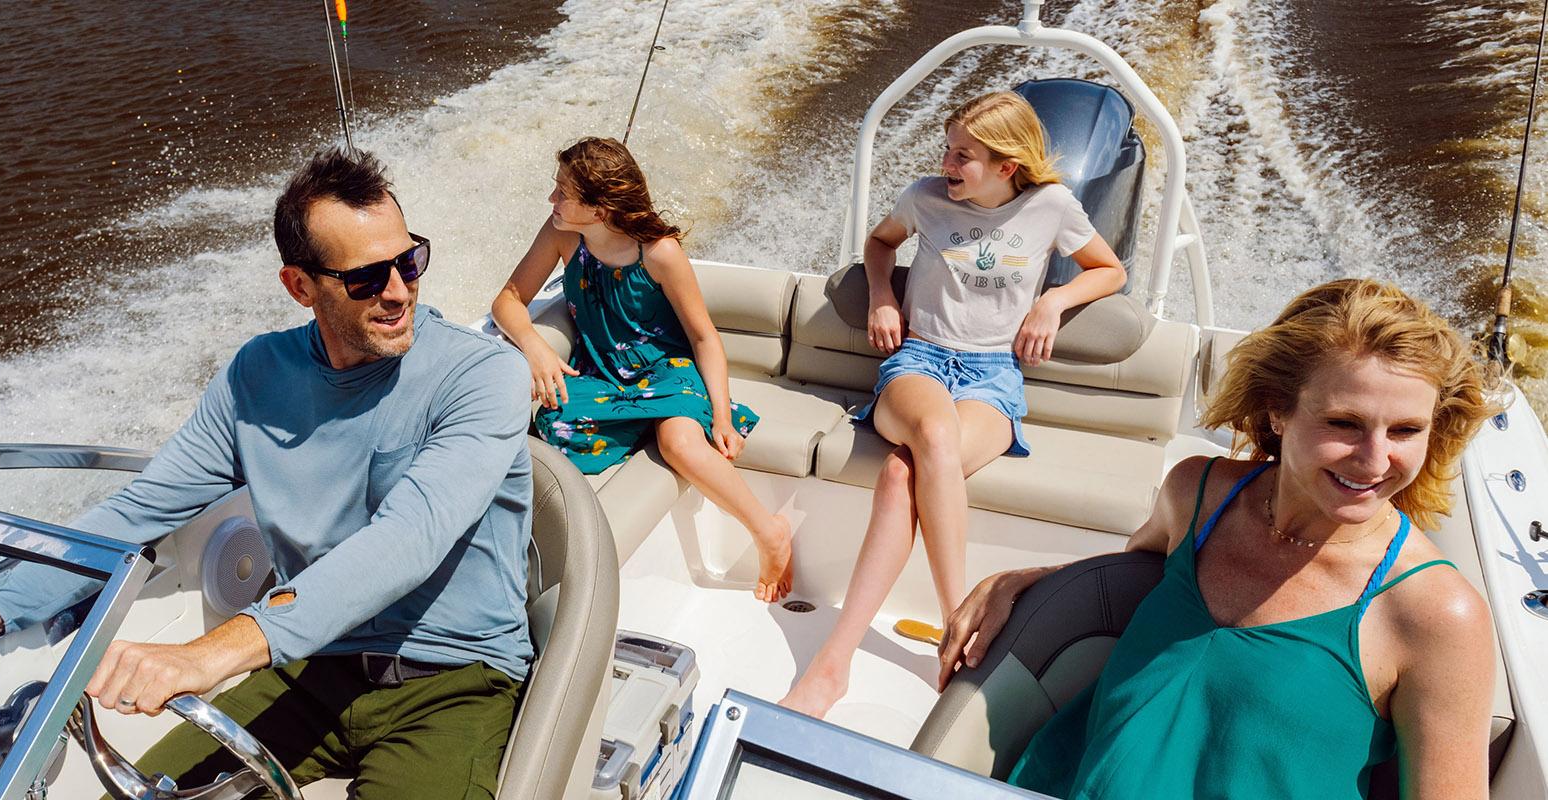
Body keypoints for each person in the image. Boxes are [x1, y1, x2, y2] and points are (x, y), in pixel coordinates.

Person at [0, 148, 535, 799]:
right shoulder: (257, 378)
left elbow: (405, 540)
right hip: (311, 666)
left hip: (454, 679)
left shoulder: (482, 376)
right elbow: (135, 512)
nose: (398, 292)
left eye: (409, 261)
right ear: (300, 286)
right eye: (365, 278)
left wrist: (208, 655)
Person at [941, 279, 1499, 798]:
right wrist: (1031, 581)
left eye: (1406, 430)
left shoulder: (1437, 615)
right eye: (1345, 423)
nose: (1376, 460)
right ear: (1278, 410)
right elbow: (1130, 579)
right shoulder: (1198, 495)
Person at [780, 91, 1125, 716]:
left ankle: (833, 665)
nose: (946, 162)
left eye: (962, 155)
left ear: (1006, 165)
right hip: (919, 361)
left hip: (994, 379)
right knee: (933, 438)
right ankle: (956, 624)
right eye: (947, 148)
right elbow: (881, 244)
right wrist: (883, 292)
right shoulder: (923, 198)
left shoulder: (1051, 207)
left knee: (900, 472)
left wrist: (1052, 302)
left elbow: (1108, 270)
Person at [490, 136, 793, 602]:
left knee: (678, 442)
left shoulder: (659, 252)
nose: (552, 200)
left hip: (667, 367)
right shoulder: (560, 234)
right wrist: (533, 344)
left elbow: (703, 337)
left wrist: (722, 415)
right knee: (550, 427)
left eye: (563, 192)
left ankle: (769, 531)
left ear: (599, 206)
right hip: (601, 370)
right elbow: (508, 300)